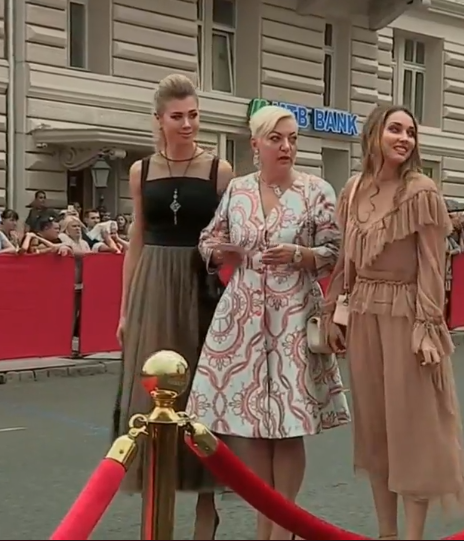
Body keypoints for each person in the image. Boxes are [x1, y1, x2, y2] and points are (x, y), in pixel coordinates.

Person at [186, 105, 349, 541]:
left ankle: (284, 526)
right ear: (255, 144)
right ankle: (266, 523)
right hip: (242, 317)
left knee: (288, 427)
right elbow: (208, 239)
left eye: (292, 138)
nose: (286, 147)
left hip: (293, 313)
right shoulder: (238, 190)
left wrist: (302, 255)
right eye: (276, 139)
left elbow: (337, 251)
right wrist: (219, 253)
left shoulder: (316, 190)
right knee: (253, 427)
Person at [324, 105, 464, 540]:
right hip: (364, 314)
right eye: (395, 129)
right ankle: (386, 533)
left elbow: (432, 264)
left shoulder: (421, 191)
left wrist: (427, 327)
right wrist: (333, 310)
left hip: (407, 314)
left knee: (412, 430)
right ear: (374, 133)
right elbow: (347, 260)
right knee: (375, 432)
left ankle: (412, 536)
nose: (404, 138)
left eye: (410, 132)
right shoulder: (353, 189)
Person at [112, 73, 233, 540]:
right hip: (153, 285)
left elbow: (230, 235)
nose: (187, 124)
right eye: (177, 116)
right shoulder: (141, 171)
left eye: (194, 115)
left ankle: (206, 509)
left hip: (200, 287)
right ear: (159, 120)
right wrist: (126, 309)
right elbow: (137, 237)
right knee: (151, 393)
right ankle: (155, 511)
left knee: (202, 394)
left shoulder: (219, 171)